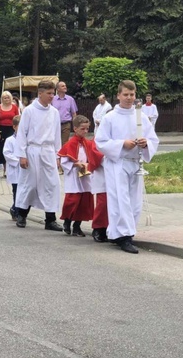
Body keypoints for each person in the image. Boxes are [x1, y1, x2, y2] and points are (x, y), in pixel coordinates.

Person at [95, 80, 160, 254]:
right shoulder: (110, 117)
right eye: (125, 95)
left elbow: (153, 139)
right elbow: (100, 142)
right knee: (120, 200)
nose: (129, 98)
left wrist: (146, 144)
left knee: (134, 201)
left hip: (135, 162)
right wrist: (122, 144)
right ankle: (124, 236)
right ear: (118, 96)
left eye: (132, 94)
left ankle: (121, 233)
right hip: (118, 162)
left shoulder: (141, 116)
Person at [13, 80, 63, 231]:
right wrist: (22, 154)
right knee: (30, 183)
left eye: (53, 93)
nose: (51, 96)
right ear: (40, 93)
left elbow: (57, 134)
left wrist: (57, 155)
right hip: (33, 150)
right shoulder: (29, 111)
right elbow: (22, 133)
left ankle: (50, 219)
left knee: (52, 184)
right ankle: (21, 214)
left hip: (48, 151)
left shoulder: (54, 112)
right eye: (48, 93)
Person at [58, 115, 96, 237]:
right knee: (73, 200)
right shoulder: (70, 144)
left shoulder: (87, 143)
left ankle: (77, 226)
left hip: (85, 176)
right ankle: (67, 222)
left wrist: (88, 165)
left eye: (87, 129)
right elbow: (63, 161)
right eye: (82, 129)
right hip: (74, 176)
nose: (85, 131)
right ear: (75, 129)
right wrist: (75, 164)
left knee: (84, 201)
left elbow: (92, 157)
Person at [0, 91, 20, 175]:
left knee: (13, 148)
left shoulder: (14, 107)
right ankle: (5, 169)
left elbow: (18, 118)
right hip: (2, 129)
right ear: (2, 99)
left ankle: (12, 167)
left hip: (12, 129)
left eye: (8, 97)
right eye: (4, 98)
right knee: (2, 149)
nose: (6, 99)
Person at [2, 115, 21, 220]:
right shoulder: (10, 140)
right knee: (16, 191)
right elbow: (7, 153)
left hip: (25, 170)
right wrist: (19, 160)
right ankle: (16, 211)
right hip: (15, 169)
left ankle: (16, 209)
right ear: (14, 127)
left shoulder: (27, 140)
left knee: (24, 192)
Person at [51, 81, 77, 146]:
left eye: (65, 85)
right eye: (62, 86)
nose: (65, 87)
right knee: (55, 142)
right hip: (54, 124)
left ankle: (63, 156)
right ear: (58, 89)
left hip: (66, 125)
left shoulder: (70, 99)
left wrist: (75, 125)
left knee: (64, 143)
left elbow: (74, 114)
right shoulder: (52, 99)